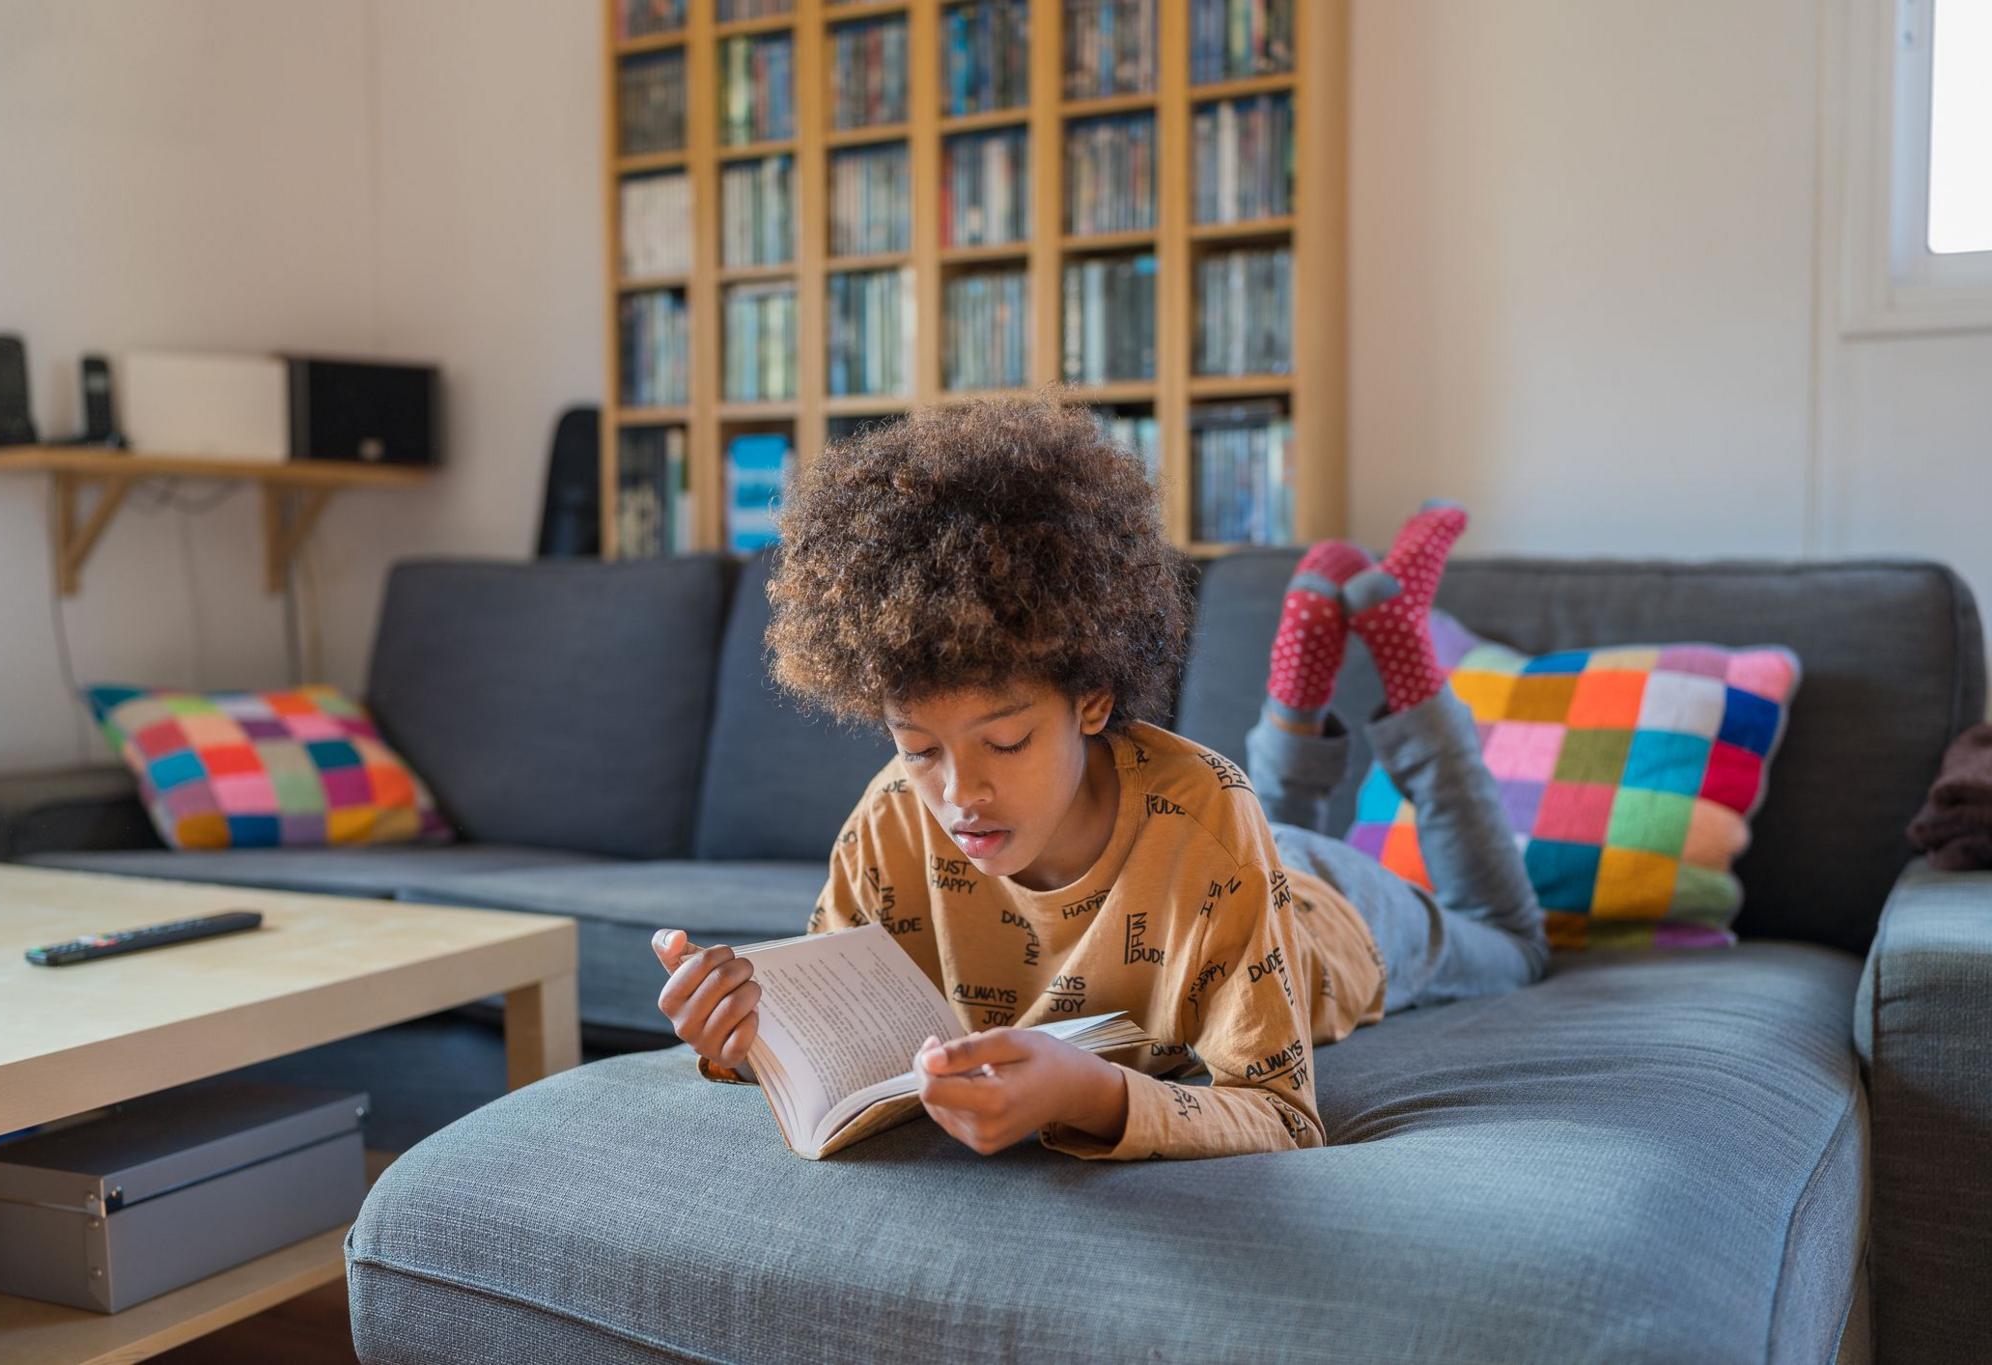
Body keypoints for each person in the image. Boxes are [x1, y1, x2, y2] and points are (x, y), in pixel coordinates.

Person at [651, 398, 1547, 1160]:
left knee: (1511, 939)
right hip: (1217, 864)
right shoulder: (892, 817)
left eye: (1005, 743)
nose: (959, 792)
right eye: (919, 747)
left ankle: (1414, 672)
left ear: (1091, 696)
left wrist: (1094, 1094)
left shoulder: (1205, 813)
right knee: (1245, 817)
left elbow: (1280, 1112)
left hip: (1320, 909)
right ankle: (1297, 694)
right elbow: (850, 1047)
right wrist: (745, 1035)